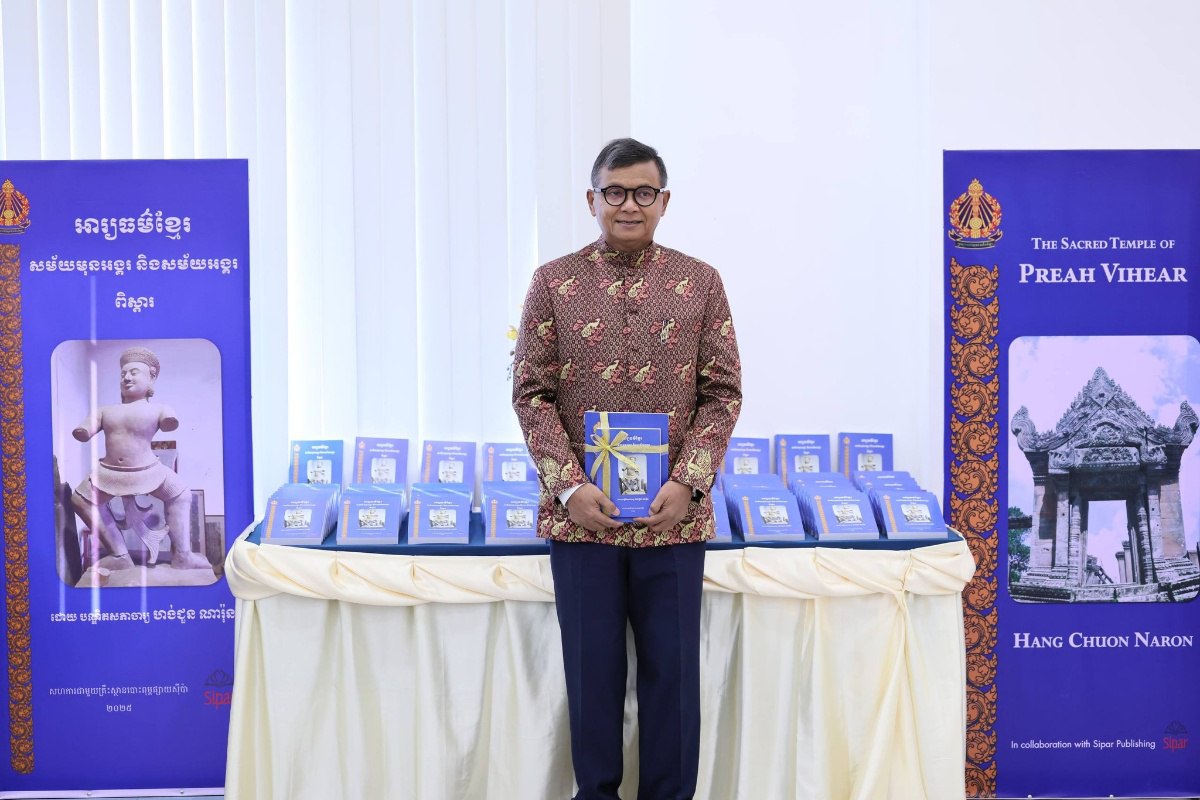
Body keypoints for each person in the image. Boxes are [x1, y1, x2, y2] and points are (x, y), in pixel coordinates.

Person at [512, 138, 742, 800]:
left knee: (673, 679)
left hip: (673, 521)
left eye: (644, 192)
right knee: (592, 679)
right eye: (615, 192)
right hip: (582, 523)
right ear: (593, 199)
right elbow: (530, 394)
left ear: (664, 201)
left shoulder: (701, 283)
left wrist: (689, 481)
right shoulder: (553, 282)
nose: (629, 205)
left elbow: (722, 393)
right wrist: (570, 487)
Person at [71, 346, 212, 572]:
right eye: (123, 374)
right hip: (110, 473)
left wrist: (168, 419)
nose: (126, 377)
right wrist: (83, 430)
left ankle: (183, 556)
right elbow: (86, 428)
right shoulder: (105, 411)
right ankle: (120, 555)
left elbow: (169, 420)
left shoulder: (160, 408)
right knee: (80, 500)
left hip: (149, 471)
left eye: (133, 372)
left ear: (151, 378)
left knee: (181, 494)